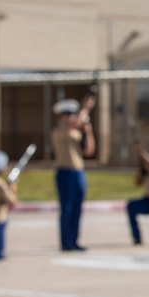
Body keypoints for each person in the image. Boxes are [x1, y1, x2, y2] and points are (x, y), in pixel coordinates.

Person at [51, 94, 95, 251]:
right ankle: (66, 241)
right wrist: (86, 108)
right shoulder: (58, 132)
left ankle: (74, 240)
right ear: (61, 117)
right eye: (67, 115)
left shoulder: (76, 133)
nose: (70, 118)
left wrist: (88, 131)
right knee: (67, 208)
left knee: (77, 208)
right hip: (65, 173)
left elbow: (89, 151)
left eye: (71, 114)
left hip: (78, 172)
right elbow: (75, 124)